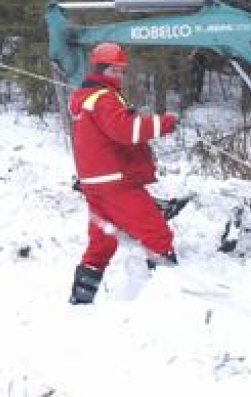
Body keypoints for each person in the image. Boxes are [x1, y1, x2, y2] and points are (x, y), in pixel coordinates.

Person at [67, 42, 178, 305]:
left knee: (101, 244)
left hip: (95, 184)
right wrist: (164, 123)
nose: (118, 76)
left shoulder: (86, 99)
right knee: (157, 234)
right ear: (100, 69)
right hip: (115, 182)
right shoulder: (103, 98)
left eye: (120, 71)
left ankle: (81, 301)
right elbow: (125, 131)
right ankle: (171, 299)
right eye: (114, 70)